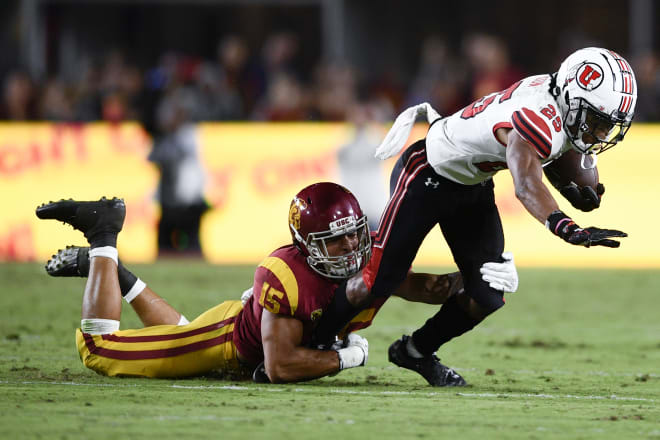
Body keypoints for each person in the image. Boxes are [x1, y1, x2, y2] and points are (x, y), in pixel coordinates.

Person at [312, 47, 637, 387]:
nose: (600, 133)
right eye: (597, 121)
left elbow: (553, 154)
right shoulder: (537, 117)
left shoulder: (557, 97)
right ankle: (315, 339)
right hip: (427, 174)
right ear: (572, 98)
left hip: (471, 185)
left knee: (488, 292)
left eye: (607, 125)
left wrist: (576, 190)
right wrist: (565, 226)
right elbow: (526, 185)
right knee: (377, 279)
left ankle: (416, 351)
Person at [36, 184, 519, 384]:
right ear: (306, 242)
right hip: (227, 344)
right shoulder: (286, 274)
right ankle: (104, 233)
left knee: (177, 331)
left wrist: (483, 274)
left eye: (356, 235)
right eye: (334, 241)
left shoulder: (369, 256)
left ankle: (116, 275)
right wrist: (347, 357)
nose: (351, 250)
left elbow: (427, 288)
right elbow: (280, 366)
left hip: (243, 333)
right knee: (99, 349)